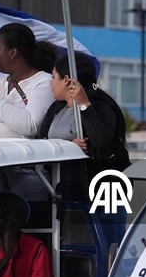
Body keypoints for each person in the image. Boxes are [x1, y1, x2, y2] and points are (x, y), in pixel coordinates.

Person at [0, 23, 57, 200]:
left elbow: (31, 125)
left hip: (28, 176)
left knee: (16, 217)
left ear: (13, 52)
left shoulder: (43, 83)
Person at [37, 55, 130, 201]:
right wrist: (67, 147)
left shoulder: (101, 106)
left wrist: (84, 105)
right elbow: (41, 141)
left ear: (66, 80)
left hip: (100, 189)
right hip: (62, 189)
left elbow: (100, 139)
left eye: (54, 77)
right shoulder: (56, 108)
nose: (51, 83)